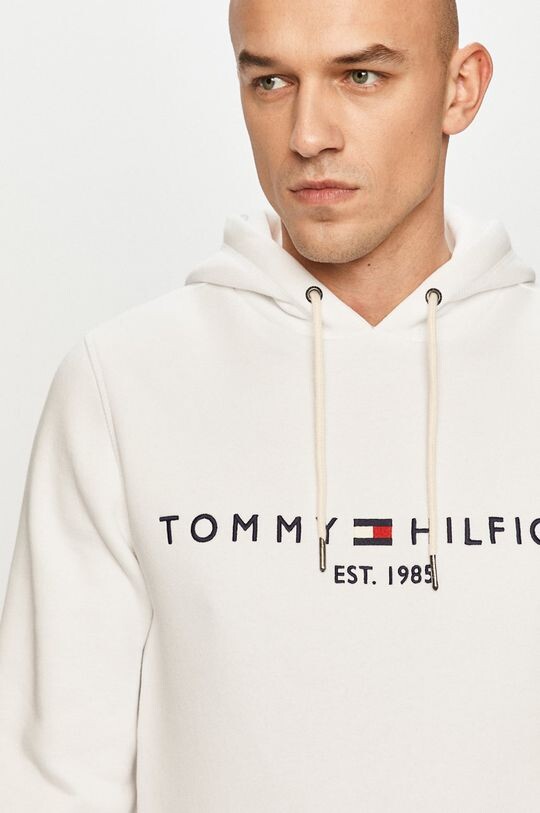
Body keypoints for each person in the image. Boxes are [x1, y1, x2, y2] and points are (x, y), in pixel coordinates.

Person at [0, 0, 538, 809]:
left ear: (460, 89)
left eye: (362, 75)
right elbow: (52, 784)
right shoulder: (122, 383)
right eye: (271, 82)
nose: (308, 134)